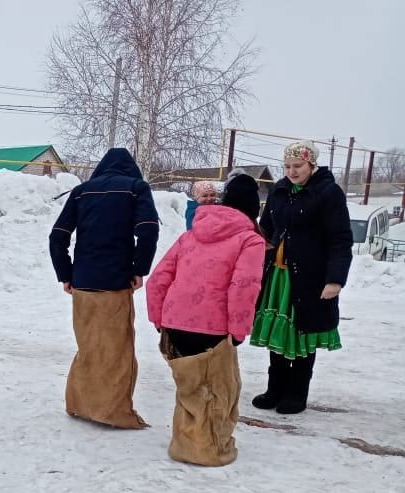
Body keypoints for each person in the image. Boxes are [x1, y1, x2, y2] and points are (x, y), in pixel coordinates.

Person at [146, 173, 265, 465]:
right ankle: (206, 451)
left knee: (189, 388)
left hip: (174, 323)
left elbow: (157, 280)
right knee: (217, 390)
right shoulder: (250, 240)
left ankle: (183, 444)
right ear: (254, 209)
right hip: (213, 327)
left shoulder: (190, 234)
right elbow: (244, 287)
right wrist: (238, 331)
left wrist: (159, 319)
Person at [48, 147, 160, 429]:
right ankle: (111, 412)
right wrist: (139, 269)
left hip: (83, 282)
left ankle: (80, 405)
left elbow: (58, 236)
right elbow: (148, 229)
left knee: (88, 347)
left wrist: (66, 274)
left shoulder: (82, 191)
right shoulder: (136, 188)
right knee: (116, 351)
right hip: (115, 281)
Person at [250, 140, 353, 415]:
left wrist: (335, 280)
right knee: (279, 333)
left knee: (302, 332)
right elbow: (266, 229)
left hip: (310, 278)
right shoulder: (279, 189)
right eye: (287, 166)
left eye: (297, 166)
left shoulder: (328, 193)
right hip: (278, 276)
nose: (291, 171)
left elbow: (340, 240)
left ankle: (296, 393)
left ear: (311, 164)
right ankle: (275, 389)